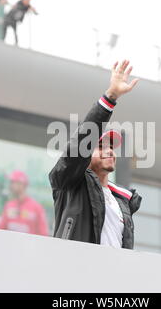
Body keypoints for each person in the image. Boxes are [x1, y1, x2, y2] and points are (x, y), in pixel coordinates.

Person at [49, 60, 142, 249]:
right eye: (100, 146)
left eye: (111, 147)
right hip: (75, 272)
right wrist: (111, 97)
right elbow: (80, 144)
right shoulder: (69, 184)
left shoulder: (123, 201)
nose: (109, 150)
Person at [0, 170, 48, 236]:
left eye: (12, 182)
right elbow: (0, 229)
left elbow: (43, 234)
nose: (10, 186)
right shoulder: (9, 205)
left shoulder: (37, 208)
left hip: (29, 246)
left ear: (21, 184)